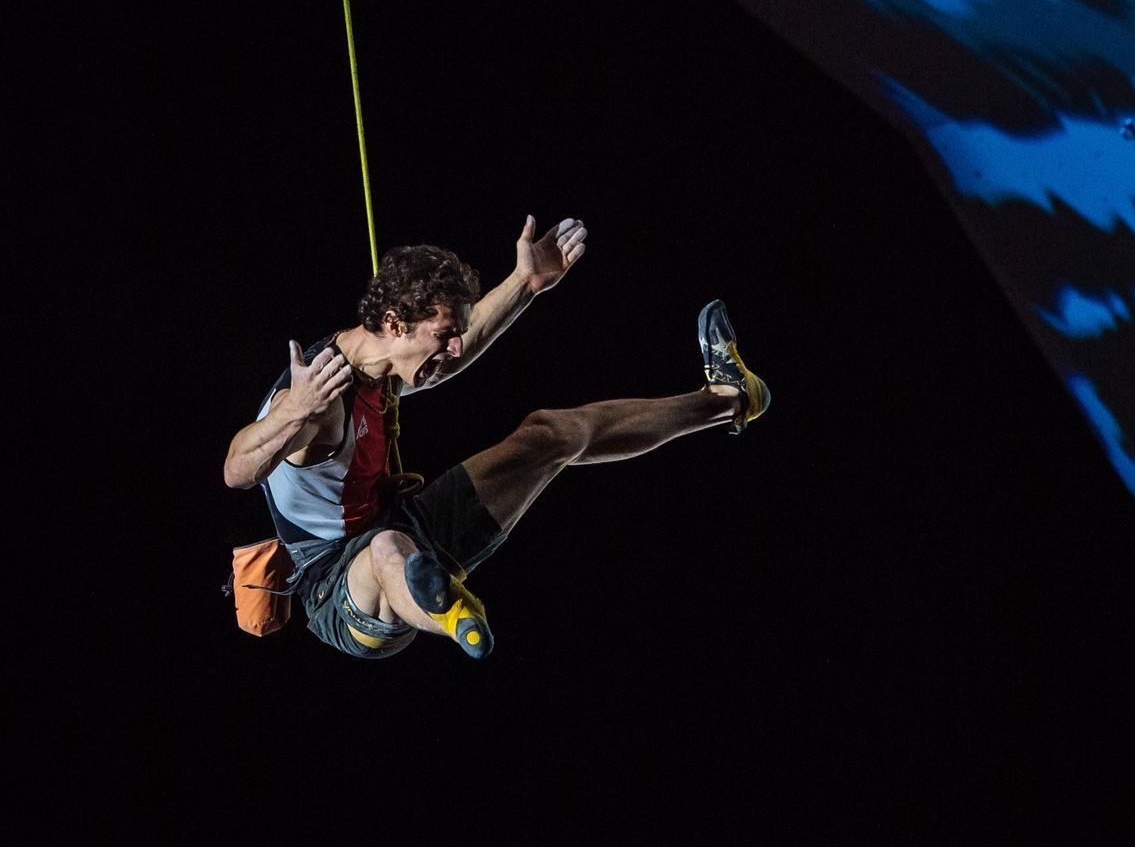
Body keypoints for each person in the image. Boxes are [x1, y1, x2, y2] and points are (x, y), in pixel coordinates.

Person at [223, 217, 769, 660]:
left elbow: (454, 354)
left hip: (403, 522)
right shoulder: (320, 396)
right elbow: (236, 471)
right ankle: (451, 612)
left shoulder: (387, 361)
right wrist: (288, 415)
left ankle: (727, 399)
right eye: (444, 335)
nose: (456, 348)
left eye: (455, 333)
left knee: (551, 434)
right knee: (389, 551)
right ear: (393, 323)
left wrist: (525, 284)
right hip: (339, 584)